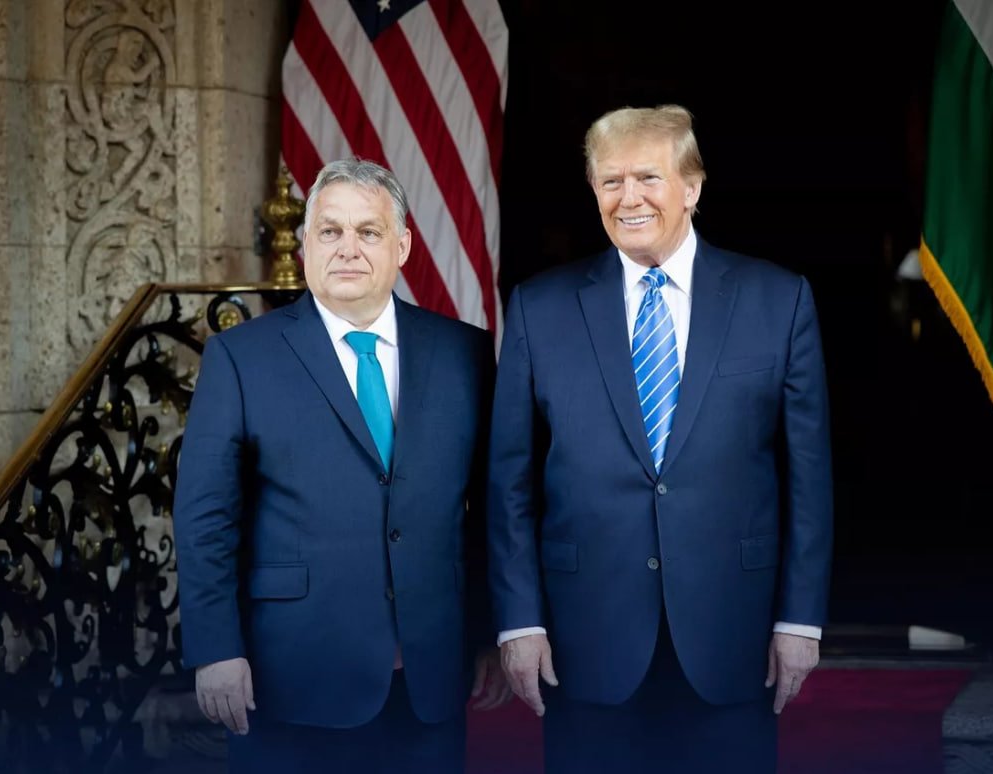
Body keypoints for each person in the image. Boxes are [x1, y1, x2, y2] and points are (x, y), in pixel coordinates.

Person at [487, 105, 833, 773]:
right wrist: (519, 621)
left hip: (733, 634)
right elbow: (510, 483)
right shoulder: (540, 307)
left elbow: (809, 477)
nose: (629, 198)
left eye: (648, 177)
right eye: (610, 181)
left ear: (692, 187)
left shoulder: (778, 299)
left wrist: (800, 618)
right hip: (585, 638)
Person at [174, 158, 511, 774]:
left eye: (368, 231)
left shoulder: (463, 352)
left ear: (402, 246)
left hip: (431, 678)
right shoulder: (240, 358)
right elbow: (205, 519)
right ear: (305, 244)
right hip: (291, 677)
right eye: (330, 231)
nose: (347, 248)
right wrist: (216, 647)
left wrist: (491, 632)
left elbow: (490, 511)